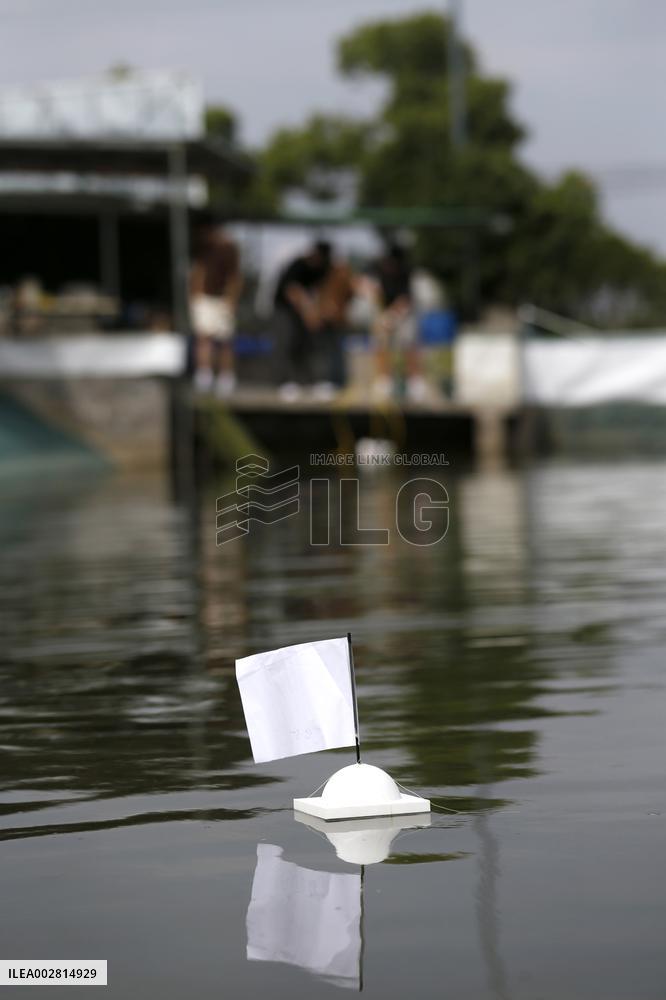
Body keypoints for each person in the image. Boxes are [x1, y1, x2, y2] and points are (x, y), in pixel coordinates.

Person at [368, 243, 428, 402]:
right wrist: (383, 318)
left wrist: (392, 317)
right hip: (386, 312)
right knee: (381, 345)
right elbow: (376, 294)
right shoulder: (380, 272)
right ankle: (384, 382)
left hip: (406, 314)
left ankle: (415, 384)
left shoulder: (407, 273)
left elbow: (406, 300)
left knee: (409, 345)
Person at [272, 241, 332, 398]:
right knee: (286, 341)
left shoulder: (323, 268)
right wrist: (308, 313)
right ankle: (285, 382)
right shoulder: (298, 265)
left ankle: (311, 382)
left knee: (307, 344)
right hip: (284, 308)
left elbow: (318, 291)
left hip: (304, 309)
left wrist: (318, 312)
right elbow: (292, 292)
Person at [189, 218, 242, 397]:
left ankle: (226, 377)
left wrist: (231, 300)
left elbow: (235, 276)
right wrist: (195, 296)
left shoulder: (229, 249)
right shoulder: (201, 248)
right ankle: (204, 375)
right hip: (204, 298)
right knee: (203, 338)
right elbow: (198, 272)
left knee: (225, 340)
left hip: (223, 299)